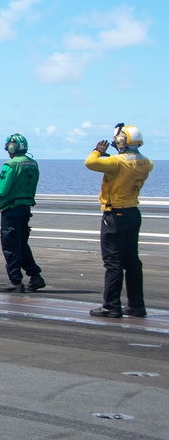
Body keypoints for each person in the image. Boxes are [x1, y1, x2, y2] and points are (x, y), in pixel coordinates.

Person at [85, 123, 154, 318]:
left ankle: (111, 305)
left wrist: (98, 151)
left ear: (122, 141)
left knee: (113, 262)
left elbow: (90, 163)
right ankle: (136, 305)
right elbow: (132, 159)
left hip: (115, 214)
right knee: (132, 261)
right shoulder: (146, 162)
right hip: (133, 212)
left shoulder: (117, 162)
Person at [0, 134, 45, 293]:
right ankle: (35, 276)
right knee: (22, 244)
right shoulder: (33, 164)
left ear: (13, 147)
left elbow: (2, 189)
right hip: (26, 208)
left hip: (11, 209)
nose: (7, 150)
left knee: (10, 246)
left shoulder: (10, 165)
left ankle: (15, 281)